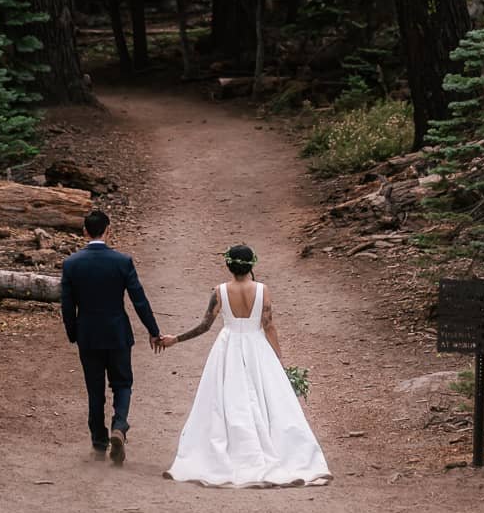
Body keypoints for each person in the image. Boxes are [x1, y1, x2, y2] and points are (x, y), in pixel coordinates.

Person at [158, 244, 331, 487]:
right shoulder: (263, 290)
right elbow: (268, 325)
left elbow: (205, 325)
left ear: (229, 265)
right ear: (252, 265)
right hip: (257, 347)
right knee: (267, 399)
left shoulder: (219, 292)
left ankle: (233, 450)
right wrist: (278, 362)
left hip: (227, 348)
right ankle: (274, 452)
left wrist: (176, 339)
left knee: (227, 399)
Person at [59, 208, 163, 466]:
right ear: (108, 230)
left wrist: (74, 333)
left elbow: (67, 305)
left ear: (85, 231)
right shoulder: (122, 262)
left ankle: (98, 443)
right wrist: (154, 330)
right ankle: (119, 425)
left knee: (95, 391)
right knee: (123, 383)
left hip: (88, 335)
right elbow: (139, 300)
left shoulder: (71, 264)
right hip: (117, 333)